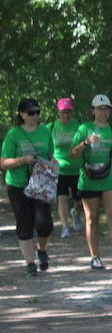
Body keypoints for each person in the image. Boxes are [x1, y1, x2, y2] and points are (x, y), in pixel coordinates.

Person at [71, 93, 112, 270]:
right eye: (100, 108)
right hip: (88, 179)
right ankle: (95, 256)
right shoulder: (84, 129)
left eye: (106, 108)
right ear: (93, 110)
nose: (103, 112)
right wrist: (86, 143)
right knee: (92, 218)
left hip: (109, 179)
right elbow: (73, 153)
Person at [2, 98, 55, 276]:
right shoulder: (13, 134)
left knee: (44, 223)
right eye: (31, 113)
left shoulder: (45, 132)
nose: (34, 116)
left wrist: (53, 164)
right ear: (22, 114)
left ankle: (42, 249)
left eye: (37, 112)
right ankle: (30, 263)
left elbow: (50, 155)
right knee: (24, 223)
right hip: (18, 184)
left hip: (40, 184)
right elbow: (3, 163)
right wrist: (22, 160)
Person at [48, 97, 83, 238]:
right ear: (58, 113)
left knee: (79, 199)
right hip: (60, 169)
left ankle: (76, 213)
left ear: (72, 112)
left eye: (68, 112)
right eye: (63, 112)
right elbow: (45, 146)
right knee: (61, 198)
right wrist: (51, 159)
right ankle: (65, 226)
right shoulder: (51, 127)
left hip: (77, 168)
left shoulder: (79, 126)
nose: (66, 115)